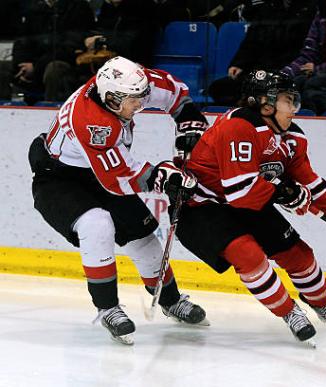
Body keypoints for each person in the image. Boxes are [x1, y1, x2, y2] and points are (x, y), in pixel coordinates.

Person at [172, 70, 326, 344]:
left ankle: (324, 306)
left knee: (299, 255)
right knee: (248, 255)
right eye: (288, 100)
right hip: (201, 205)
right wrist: (285, 193)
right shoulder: (238, 126)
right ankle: (290, 312)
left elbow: (312, 184)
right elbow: (240, 191)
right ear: (265, 103)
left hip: (247, 201)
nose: (294, 108)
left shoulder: (292, 138)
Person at [28, 56, 210, 345]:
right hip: (59, 179)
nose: (140, 105)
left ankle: (170, 300)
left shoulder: (132, 84)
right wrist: (166, 177)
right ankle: (108, 308)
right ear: (112, 99)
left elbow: (176, 94)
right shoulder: (91, 122)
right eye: (133, 101)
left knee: (143, 236)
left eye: (140, 97)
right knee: (97, 224)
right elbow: (119, 178)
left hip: (98, 170)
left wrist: (189, 118)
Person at [12, 0, 96, 102]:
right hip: (34, 65)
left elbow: (71, 46)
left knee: (54, 69)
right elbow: (22, 40)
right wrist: (21, 63)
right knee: (3, 69)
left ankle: (55, 112)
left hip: (68, 63)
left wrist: (35, 66)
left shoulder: (78, 7)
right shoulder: (35, 7)